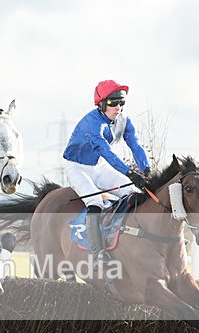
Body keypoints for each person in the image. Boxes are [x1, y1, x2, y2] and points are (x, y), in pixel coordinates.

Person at [62, 79, 151, 262]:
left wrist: (146, 169)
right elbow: (107, 152)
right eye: (113, 103)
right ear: (101, 104)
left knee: (134, 193)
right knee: (95, 202)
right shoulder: (92, 124)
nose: (118, 107)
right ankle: (98, 253)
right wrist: (129, 173)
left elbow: (135, 145)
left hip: (99, 166)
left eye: (121, 102)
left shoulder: (124, 121)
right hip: (78, 167)